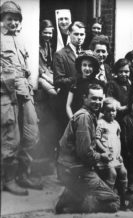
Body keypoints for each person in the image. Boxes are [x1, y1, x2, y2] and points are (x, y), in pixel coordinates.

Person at [56, 83, 120, 213]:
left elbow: (90, 144)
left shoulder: (90, 114)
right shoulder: (84, 118)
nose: (97, 102)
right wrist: (102, 156)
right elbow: (84, 153)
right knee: (114, 203)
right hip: (75, 169)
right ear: (85, 98)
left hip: (71, 167)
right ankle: (75, 201)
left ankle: (73, 195)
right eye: (94, 98)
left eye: (100, 99)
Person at [1, 0, 41, 195]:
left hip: (25, 93)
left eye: (16, 20)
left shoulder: (21, 39)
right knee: (11, 138)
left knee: (30, 134)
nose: (13, 23)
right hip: (6, 95)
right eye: (9, 19)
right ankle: (8, 180)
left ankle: (23, 175)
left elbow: (25, 69)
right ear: (2, 20)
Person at [53, 21, 86, 132]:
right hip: (67, 101)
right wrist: (78, 79)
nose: (79, 37)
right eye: (76, 34)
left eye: (82, 34)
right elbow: (58, 81)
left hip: (83, 101)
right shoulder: (60, 54)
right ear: (69, 33)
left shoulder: (85, 54)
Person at [95, 97, 128, 209]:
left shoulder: (116, 124)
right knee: (112, 174)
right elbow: (96, 139)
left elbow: (118, 140)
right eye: (108, 110)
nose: (111, 113)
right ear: (103, 111)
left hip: (116, 155)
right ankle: (108, 200)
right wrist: (104, 150)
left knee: (123, 172)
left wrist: (119, 154)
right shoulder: (100, 123)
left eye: (113, 110)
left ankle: (123, 200)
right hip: (106, 156)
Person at [35, 19, 59, 160]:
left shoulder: (49, 44)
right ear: (40, 32)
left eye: (50, 33)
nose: (48, 35)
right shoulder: (36, 46)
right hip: (40, 78)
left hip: (47, 73)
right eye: (45, 32)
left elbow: (49, 64)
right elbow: (39, 68)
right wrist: (50, 78)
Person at [66, 50, 100, 119]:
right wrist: (73, 120)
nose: (87, 68)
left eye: (90, 66)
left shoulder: (99, 84)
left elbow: (101, 106)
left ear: (94, 67)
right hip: (77, 119)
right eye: (84, 65)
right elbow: (68, 105)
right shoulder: (75, 83)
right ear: (80, 66)